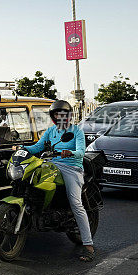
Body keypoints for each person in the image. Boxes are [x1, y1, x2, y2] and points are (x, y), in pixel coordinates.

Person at [19, 100, 95, 261]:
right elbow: (38, 147)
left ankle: (88, 246)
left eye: (63, 114)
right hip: (52, 164)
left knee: (76, 204)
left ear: (68, 116)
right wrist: (23, 148)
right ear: (53, 117)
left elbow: (81, 151)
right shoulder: (50, 131)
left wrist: (70, 152)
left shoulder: (76, 132)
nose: (60, 117)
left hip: (72, 168)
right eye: (56, 114)